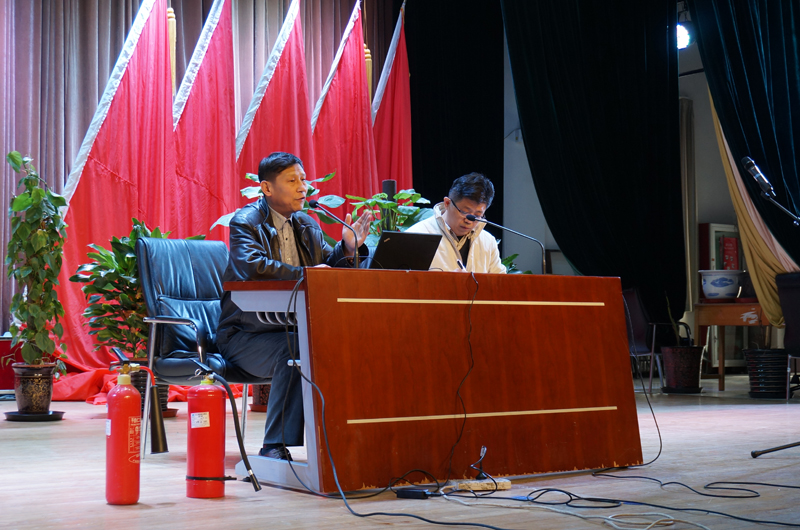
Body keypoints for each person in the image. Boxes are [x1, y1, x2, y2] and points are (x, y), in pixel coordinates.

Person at [216, 152, 372, 461]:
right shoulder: (246, 222)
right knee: (298, 348)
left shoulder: (306, 224)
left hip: (291, 327)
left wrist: (348, 247)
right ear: (267, 188)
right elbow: (252, 267)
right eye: (292, 180)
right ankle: (274, 446)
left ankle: (346, 440)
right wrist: (307, 274)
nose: (303, 187)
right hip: (245, 334)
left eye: (303, 179)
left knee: (343, 342)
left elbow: (327, 267)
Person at [407, 172, 506, 274]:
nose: (469, 220)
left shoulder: (487, 241)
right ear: (447, 203)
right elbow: (404, 281)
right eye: (464, 212)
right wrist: (448, 281)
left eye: (477, 215)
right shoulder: (416, 236)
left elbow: (499, 281)